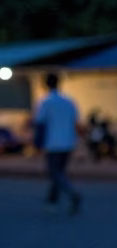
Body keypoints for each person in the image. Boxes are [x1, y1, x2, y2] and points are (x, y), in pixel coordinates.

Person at [34, 73, 82, 213]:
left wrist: (38, 144)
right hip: (68, 142)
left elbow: (40, 124)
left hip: (53, 143)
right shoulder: (69, 101)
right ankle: (52, 200)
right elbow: (76, 122)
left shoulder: (46, 102)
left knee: (54, 173)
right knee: (59, 172)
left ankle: (72, 193)